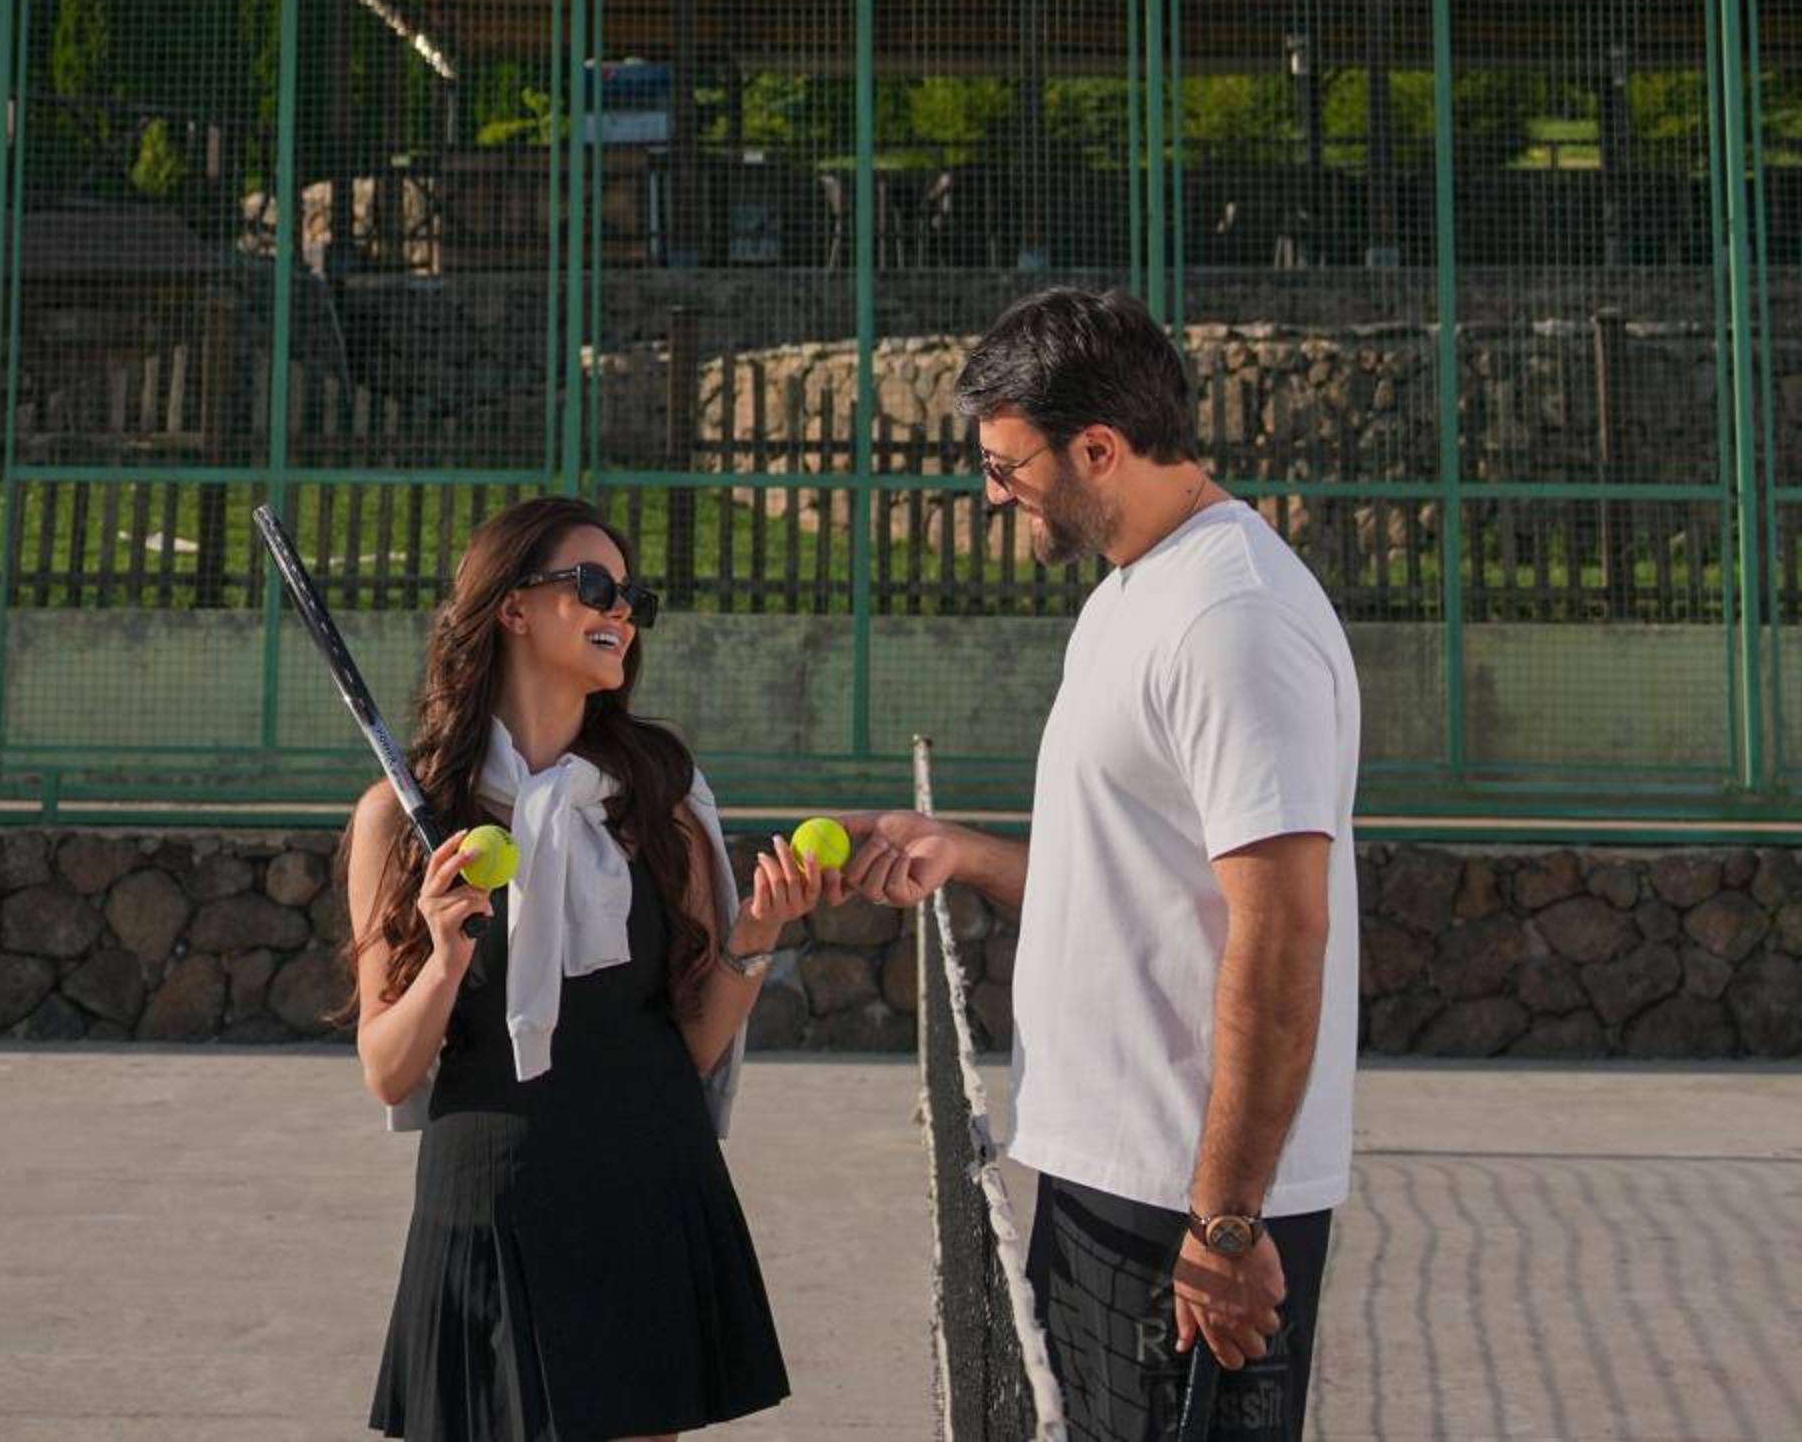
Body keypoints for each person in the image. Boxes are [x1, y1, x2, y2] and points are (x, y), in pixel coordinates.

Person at [844, 288, 1360, 1442]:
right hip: (1115, 1182)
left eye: (1004, 465)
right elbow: (1142, 886)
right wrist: (964, 854)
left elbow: (1283, 930)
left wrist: (1225, 1222)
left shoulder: (1231, 621)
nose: (992, 494)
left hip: (1188, 1213)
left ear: (1096, 449)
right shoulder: (1134, 594)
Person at [345, 495, 804, 1442]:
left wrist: (755, 935)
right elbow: (388, 1070)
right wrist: (442, 959)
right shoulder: (400, 818)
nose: (623, 611)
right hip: (486, 1198)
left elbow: (693, 1041)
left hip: (646, 1181)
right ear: (513, 606)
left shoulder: (657, 794)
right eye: (596, 586)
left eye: (633, 596)